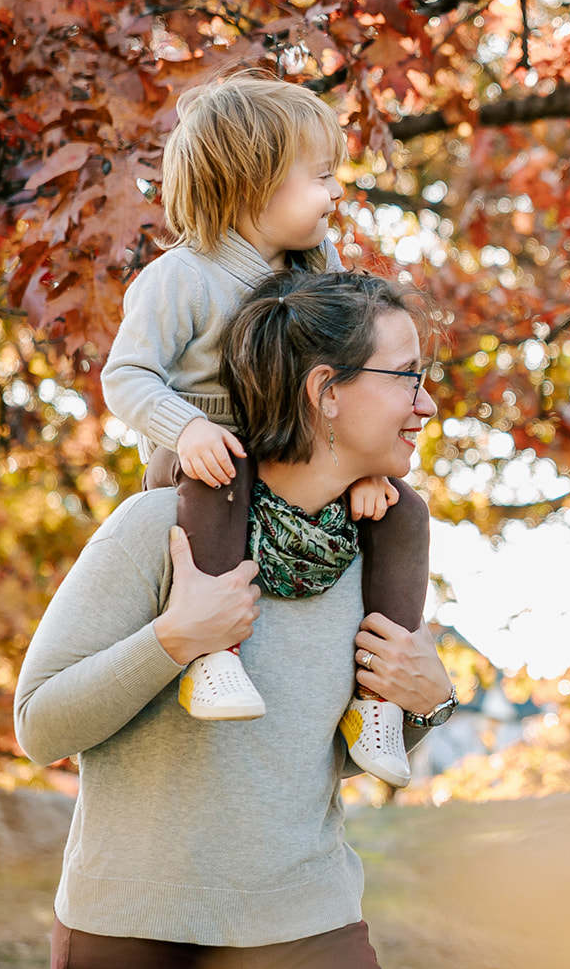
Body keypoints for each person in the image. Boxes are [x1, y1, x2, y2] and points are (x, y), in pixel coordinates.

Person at [16, 269, 459, 969]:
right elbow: (38, 725)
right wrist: (175, 639)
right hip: (133, 935)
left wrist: (429, 702)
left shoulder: (374, 559)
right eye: (408, 375)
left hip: (311, 933)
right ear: (327, 392)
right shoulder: (160, 530)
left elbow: (307, 766)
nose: (428, 402)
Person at [100, 71, 427, 787]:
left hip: (293, 451)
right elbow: (125, 376)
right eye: (320, 175)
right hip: (207, 460)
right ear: (253, 184)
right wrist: (183, 429)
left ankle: (376, 700)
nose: (336, 192)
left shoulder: (321, 272)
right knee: (222, 471)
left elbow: (350, 377)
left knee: (406, 510)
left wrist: (367, 467)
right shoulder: (180, 278)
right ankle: (214, 657)